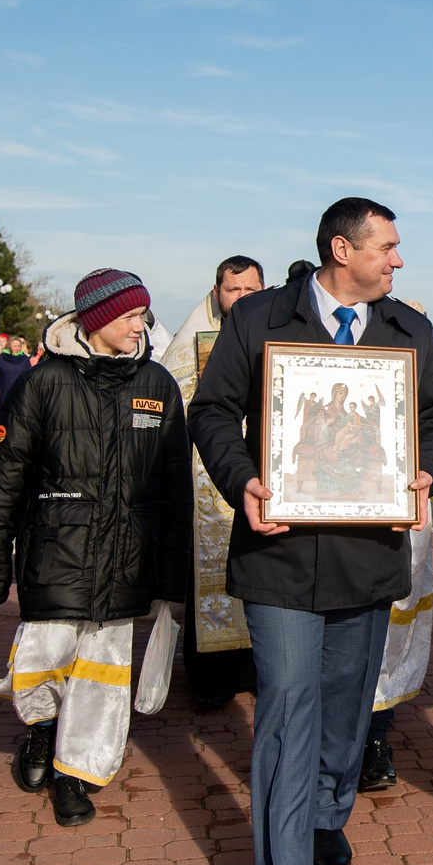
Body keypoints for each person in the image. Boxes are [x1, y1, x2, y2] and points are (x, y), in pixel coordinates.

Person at [191, 198, 433, 865]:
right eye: (388, 247)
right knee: (285, 702)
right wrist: (242, 476)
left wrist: (424, 472)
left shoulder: (411, 331)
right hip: (279, 555)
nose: (397, 260)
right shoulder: (259, 320)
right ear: (344, 249)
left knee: (345, 705)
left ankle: (326, 812)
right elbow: (211, 412)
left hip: (368, 554)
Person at [0, 269, 193, 828]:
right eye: (128, 316)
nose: (140, 325)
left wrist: (174, 575)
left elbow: (174, 490)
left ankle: (78, 774)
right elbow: (1, 482)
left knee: (103, 675)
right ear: (95, 321)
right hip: (55, 553)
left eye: (142, 314)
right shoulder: (42, 385)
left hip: (127, 560)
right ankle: (41, 732)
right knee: (43, 658)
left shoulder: (157, 386)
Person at [160, 256, 267, 713]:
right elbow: (177, 405)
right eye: (233, 291)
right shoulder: (193, 344)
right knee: (205, 578)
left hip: (262, 470)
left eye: (251, 290)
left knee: (262, 571)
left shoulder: (276, 328)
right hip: (207, 476)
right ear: (216, 293)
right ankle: (209, 677)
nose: (242, 299)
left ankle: (255, 669)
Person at [362, 441, 433, 792]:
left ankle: (374, 741)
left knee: (388, 642)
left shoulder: (425, 383)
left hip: (403, 530)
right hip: (331, 521)